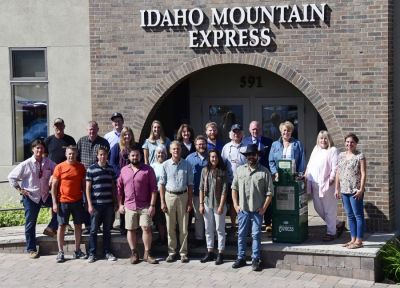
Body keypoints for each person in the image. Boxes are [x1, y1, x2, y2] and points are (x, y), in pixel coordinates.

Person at [8, 139, 58, 258]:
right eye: (37, 148)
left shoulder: (48, 162)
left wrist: (53, 177)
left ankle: (50, 228)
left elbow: (57, 170)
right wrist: (20, 190)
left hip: (45, 195)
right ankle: (31, 249)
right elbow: (11, 177)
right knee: (31, 223)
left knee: (61, 205)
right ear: (33, 149)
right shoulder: (26, 164)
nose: (40, 150)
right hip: (31, 197)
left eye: (41, 148)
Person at [231, 144, 273, 272]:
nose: (250, 157)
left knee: (256, 235)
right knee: (241, 235)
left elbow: (270, 192)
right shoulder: (239, 170)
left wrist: (264, 208)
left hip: (256, 210)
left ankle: (255, 259)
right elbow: (234, 188)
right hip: (243, 209)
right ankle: (241, 257)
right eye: (248, 155)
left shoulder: (264, 171)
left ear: (257, 155)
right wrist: (235, 205)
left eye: (253, 154)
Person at [117, 148, 159, 264]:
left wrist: (152, 205)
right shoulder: (124, 170)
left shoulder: (148, 170)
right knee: (130, 229)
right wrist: (120, 204)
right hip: (129, 205)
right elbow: (119, 189)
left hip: (145, 205)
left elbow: (154, 189)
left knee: (146, 228)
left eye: (137, 156)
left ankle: (147, 253)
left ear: (140, 156)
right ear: (129, 157)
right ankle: (134, 253)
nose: (135, 158)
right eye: (132, 156)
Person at [305, 131, 345, 241]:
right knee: (318, 208)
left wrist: (331, 179)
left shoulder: (333, 150)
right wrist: (306, 174)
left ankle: (331, 232)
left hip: (327, 184)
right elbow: (310, 164)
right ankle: (338, 223)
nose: (323, 140)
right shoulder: (316, 149)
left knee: (329, 209)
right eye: (321, 138)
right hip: (314, 183)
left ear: (329, 139)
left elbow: (335, 167)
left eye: (325, 138)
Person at [51, 145, 87, 263]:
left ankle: (77, 250)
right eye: (69, 153)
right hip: (63, 202)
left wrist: (85, 200)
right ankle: (60, 252)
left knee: (78, 225)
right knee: (61, 226)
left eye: (73, 153)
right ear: (66, 154)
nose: (71, 155)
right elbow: (54, 187)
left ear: (76, 154)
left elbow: (84, 186)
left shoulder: (81, 167)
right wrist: (54, 203)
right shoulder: (59, 167)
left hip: (77, 201)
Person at [159, 141, 194, 263]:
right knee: (170, 226)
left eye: (178, 148)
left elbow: (190, 185)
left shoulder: (187, 164)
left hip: (183, 196)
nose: (176, 151)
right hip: (170, 197)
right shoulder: (165, 165)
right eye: (173, 149)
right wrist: (162, 201)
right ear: (170, 151)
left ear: (181, 150)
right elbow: (162, 184)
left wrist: (190, 202)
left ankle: (183, 253)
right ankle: (172, 252)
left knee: (184, 227)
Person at [77, 120, 110, 234]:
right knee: (86, 201)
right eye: (90, 129)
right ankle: (88, 225)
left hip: (99, 177)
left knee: (96, 202)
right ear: (87, 130)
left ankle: (97, 225)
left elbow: (107, 158)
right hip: (84, 177)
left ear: (98, 130)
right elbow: (77, 158)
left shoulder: (103, 142)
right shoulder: (81, 141)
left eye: (94, 129)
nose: (92, 131)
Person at [85, 147, 118, 263]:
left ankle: (107, 252)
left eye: (104, 154)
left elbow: (114, 187)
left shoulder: (111, 169)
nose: (103, 157)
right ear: (97, 156)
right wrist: (89, 204)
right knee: (93, 230)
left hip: (109, 204)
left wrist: (116, 202)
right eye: (101, 155)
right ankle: (92, 253)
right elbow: (88, 188)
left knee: (107, 230)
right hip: (96, 205)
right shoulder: (91, 169)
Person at [335, 133, 367, 249]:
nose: (349, 144)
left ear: (356, 143)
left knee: (358, 215)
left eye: (352, 142)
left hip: (355, 190)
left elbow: (363, 174)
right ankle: (352, 239)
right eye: (347, 142)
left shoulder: (360, 156)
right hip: (344, 190)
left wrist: (361, 189)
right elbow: (338, 172)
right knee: (350, 215)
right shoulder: (341, 155)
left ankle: (359, 241)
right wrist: (337, 188)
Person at [242, 120, 273, 233]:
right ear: (250, 130)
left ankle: (268, 222)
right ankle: (252, 224)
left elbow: (271, 158)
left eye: (257, 129)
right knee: (252, 197)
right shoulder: (244, 141)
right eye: (253, 129)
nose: (255, 131)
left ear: (261, 129)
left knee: (267, 197)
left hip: (264, 173)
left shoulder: (268, 141)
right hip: (250, 173)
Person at [199, 149, 227, 265]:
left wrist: (221, 205)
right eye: (211, 157)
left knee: (219, 229)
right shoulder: (205, 171)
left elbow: (225, 190)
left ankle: (220, 253)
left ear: (218, 158)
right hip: (207, 203)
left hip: (218, 204)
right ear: (209, 158)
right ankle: (210, 251)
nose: (213, 159)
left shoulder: (222, 171)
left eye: (215, 157)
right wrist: (201, 204)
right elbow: (201, 188)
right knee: (208, 229)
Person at [109, 126, 138, 235]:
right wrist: (122, 175)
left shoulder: (135, 147)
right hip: (121, 180)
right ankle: (123, 227)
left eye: (129, 134)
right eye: (125, 134)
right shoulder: (117, 147)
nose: (127, 136)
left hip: (134, 180)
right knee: (122, 202)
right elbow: (112, 163)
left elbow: (139, 161)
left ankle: (134, 226)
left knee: (133, 201)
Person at [221, 124, 246, 233]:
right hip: (230, 181)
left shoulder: (247, 145)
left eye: (238, 132)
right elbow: (222, 164)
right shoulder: (226, 147)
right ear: (231, 134)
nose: (236, 134)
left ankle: (243, 225)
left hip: (245, 181)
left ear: (242, 133)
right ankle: (233, 225)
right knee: (232, 204)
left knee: (244, 203)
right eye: (234, 132)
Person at [186, 135, 208, 247]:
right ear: (195, 146)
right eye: (199, 144)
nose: (201, 146)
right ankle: (199, 238)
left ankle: (211, 238)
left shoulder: (212, 156)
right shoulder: (189, 158)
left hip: (210, 193)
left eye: (203, 143)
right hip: (195, 193)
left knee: (209, 217)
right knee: (198, 217)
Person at [150, 145, 168, 245]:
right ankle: (162, 238)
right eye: (158, 153)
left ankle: (168, 238)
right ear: (156, 155)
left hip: (168, 194)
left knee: (167, 218)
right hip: (156, 195)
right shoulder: (152, 166)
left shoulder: (168, 164)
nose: (160, 154)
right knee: (159, 219)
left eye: (162, 153)